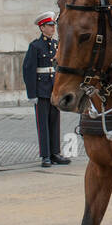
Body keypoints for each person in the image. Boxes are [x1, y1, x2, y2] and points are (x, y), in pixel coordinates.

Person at [24, 12, 70, 168]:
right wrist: (32, 94)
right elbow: (28, 70)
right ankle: (45, 155)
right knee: (43, 123)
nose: (53, 29)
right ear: (42, 27)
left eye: (53, 26)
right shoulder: (35, 46)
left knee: (54, 121)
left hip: (54, 88)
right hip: (41, 89)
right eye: (50, 26)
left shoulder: (57, 45)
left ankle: (55, 152)